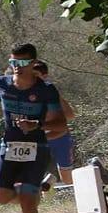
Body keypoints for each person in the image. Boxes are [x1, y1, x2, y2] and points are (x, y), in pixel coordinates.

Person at [0, 43, 65, 213]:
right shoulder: (1, 83)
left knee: (28, 197)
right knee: (0, 195)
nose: (17, 66)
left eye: (22, 62)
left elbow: (61, 123)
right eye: (13, 62)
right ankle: (32, 193)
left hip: (36, 148)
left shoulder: (46, 90)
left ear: (33, 63)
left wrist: (36, 125)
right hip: (9, 145)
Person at [32, 59, 76, 187]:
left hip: (58, 137)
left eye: (35, 75)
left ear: (44, 76)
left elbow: (70, 115)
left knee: (68, 179)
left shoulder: (51, 92)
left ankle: (94, 168)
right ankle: (49, 180)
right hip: (38, 139)